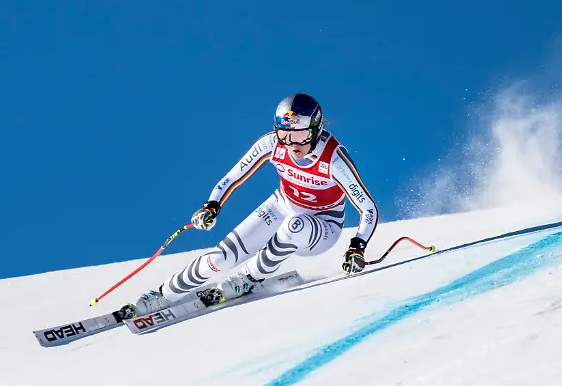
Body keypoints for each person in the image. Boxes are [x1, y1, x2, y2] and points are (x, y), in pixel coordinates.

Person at [131, 93, 379, 316]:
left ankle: (248, 278)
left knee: (295, 225)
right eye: (285, 135)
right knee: (219, 258)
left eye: (301, 135)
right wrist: (212, 206)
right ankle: (165, 294)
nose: (293, 144)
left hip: (323, 226)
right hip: (281, 206)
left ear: (315, 129)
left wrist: (356, 247)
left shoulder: (333, 159)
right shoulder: (271, 145)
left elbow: (368, 208)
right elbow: (233, 177)